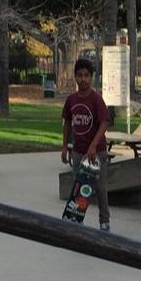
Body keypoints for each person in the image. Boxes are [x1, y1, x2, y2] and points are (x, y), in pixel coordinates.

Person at [60, 57, 111, 231]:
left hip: (97, 152)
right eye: (80, 75)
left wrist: (93, 146)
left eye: (86, 75)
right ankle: (75, 218)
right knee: (78, 187)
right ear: (75, 77)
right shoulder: (71, 100)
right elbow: (67, 123)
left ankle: (104, 221)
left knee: (100, 188)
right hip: (78, 152)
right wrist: (64, 147)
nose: (83, 79)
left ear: (91, 77)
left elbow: (104, 123)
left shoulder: (96, 99)